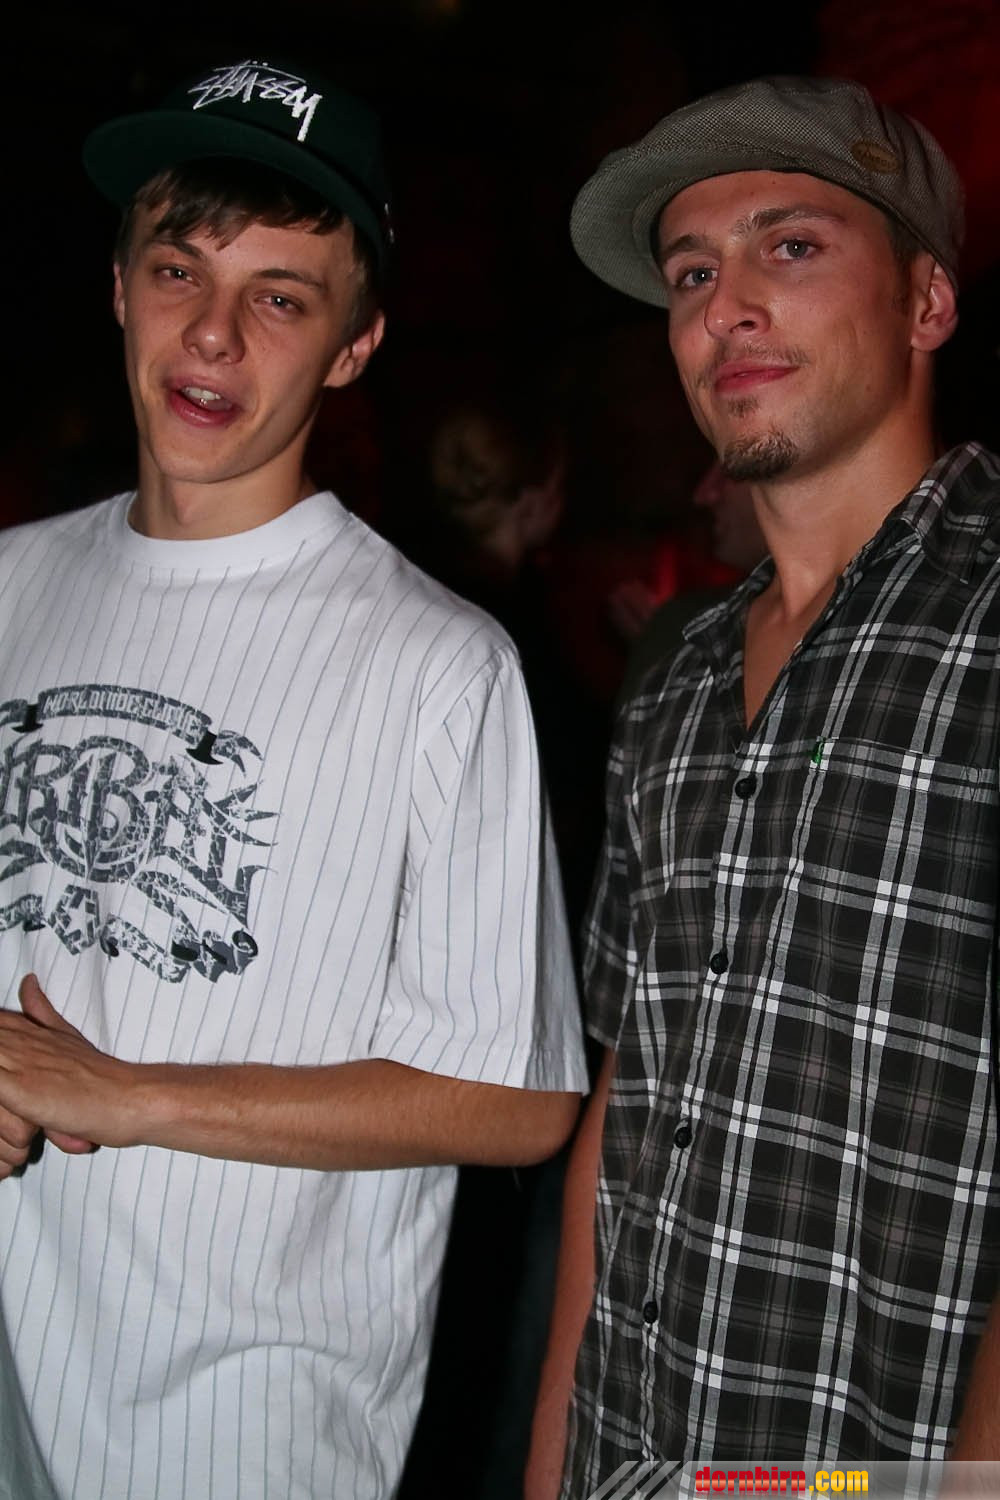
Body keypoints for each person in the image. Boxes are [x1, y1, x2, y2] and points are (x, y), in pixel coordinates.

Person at [0, 58, 587, 1500]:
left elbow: (514, 1100)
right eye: (179, 270)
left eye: (279, 296)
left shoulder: (439, 662)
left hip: (245, 1428)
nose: (211, 333)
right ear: (119, 285)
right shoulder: (11, 581)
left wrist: (133, 1095)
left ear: (355, 345)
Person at [527, 74, 1000, 1495]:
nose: (724, 307)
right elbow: (627, 1093)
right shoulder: (676, 677)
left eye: (789, 247)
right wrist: (555, 1457)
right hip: (635, 1449)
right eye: (691, 273)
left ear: (926, 301)